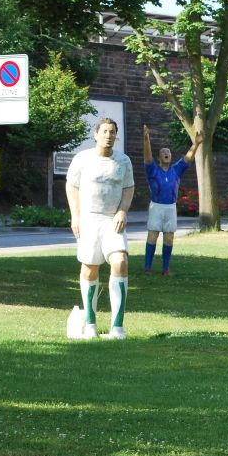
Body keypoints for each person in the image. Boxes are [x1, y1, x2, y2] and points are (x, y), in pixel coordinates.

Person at [66, 117, 135, 340]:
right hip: (89, 219)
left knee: (121, 261)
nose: (108, 135)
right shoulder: (82, 159)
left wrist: (122, 211)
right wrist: (75, 216)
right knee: (90, 268)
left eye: (112, 132)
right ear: (95, 134)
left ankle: (117, 328)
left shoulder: (123, 161)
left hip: (112, 220)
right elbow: (72, 186)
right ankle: (90, 324)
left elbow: (128, 188)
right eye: (104, 131)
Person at [142, 125, 199, 275]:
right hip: (156, 207)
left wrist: (196, 143)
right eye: (163, 152)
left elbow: (188, 157)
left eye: (168, 152)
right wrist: (146, 139)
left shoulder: (176, 170)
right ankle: (148, 267)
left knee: (169, 238)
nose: (166, 153)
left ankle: (165, 268)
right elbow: (147, 157)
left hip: (171, 208)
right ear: (159, 157)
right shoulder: (153, 170)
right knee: (152, 236)